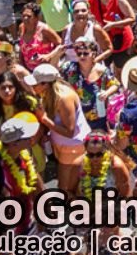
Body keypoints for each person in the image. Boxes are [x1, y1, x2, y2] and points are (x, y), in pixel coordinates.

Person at [27, 63, 91, 193]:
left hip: (72, 146)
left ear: (45, 84)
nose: (32, 87)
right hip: (62, 145)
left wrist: (44, 119)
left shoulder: (64, 98)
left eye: (35, 84)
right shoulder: (48, 94)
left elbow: (70, 132)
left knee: (65, 187)